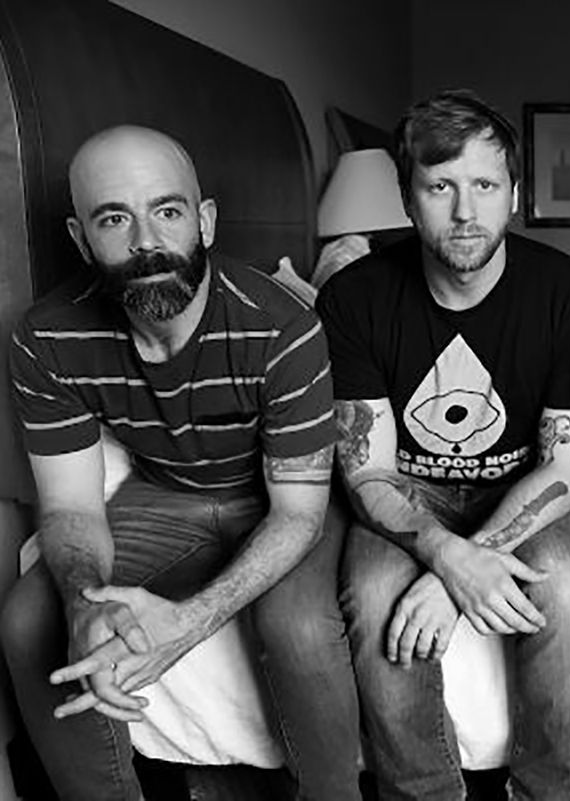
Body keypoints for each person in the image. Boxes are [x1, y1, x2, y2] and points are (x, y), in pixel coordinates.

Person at [1, 125, 360, 801]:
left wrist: (186, 624)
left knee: (298, 628)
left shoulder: (283, 327)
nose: (146, 241)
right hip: (165, 494)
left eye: (167, 211)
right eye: (114, 219)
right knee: (31, 621)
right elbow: (72, 505)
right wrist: (83, 604)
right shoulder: (47, 336)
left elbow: (298, 514)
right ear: (81, 238)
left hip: (278, 497)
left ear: (205, 221)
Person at [316, 90, 570, 801]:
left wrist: (470, 560)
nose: (465, 211)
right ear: (406, 199)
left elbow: (563, 466)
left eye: (484, 185)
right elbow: (367, 471)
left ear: (515, 194)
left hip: (524, 485)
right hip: (406, 488)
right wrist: (450, 559)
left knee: (568, 591)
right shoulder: (353, 298)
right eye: (440, 186)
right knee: (378, 596)